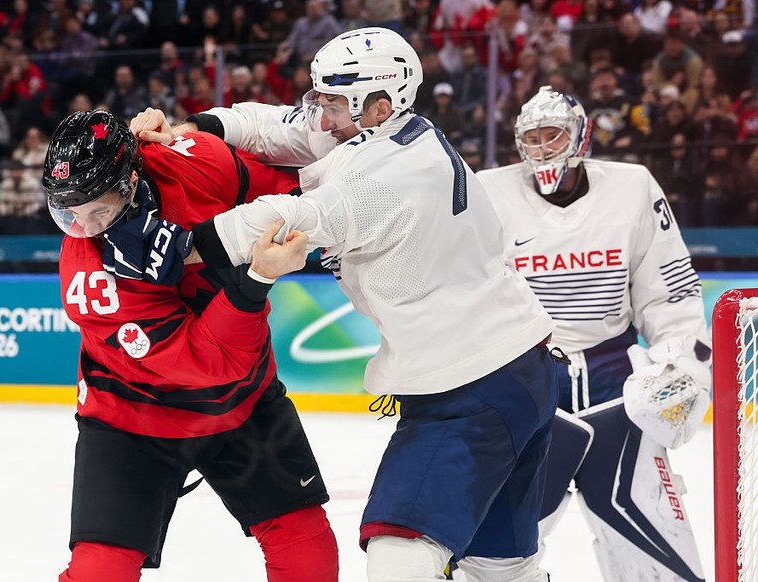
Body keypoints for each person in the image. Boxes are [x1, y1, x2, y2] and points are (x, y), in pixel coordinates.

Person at [124, 27, 558, 582]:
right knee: (503, 570)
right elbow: (281, 126)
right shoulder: (388, 132)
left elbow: (288, 218)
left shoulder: (388, 176)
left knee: (399, 558)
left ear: (379, 104)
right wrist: (198, 127)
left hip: (469, 391)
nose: (320, 117)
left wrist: (171, 246)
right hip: (519, 372)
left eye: (333, 104)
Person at [40, 109, 338, 582]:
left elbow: (294, 195)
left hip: (242, 402)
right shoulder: (89, 282)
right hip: (131, 417)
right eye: (70, 215)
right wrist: (256, 277)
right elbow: (208, 363)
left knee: (307, 554)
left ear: (133, 177)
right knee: (101, 573)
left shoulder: (195, 160)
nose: (88, 228)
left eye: (99, 208)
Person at [461, 86, 709, 581]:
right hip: (526, 385)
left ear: (582, 137)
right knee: (497, 550)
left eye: (553, 134)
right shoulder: (486, 190)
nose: (542, 147)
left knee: (650, 525)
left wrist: (682, 363)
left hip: (614, 384)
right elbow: (465, 290)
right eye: (531, 137)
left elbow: (669, 291)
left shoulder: (633, 186)